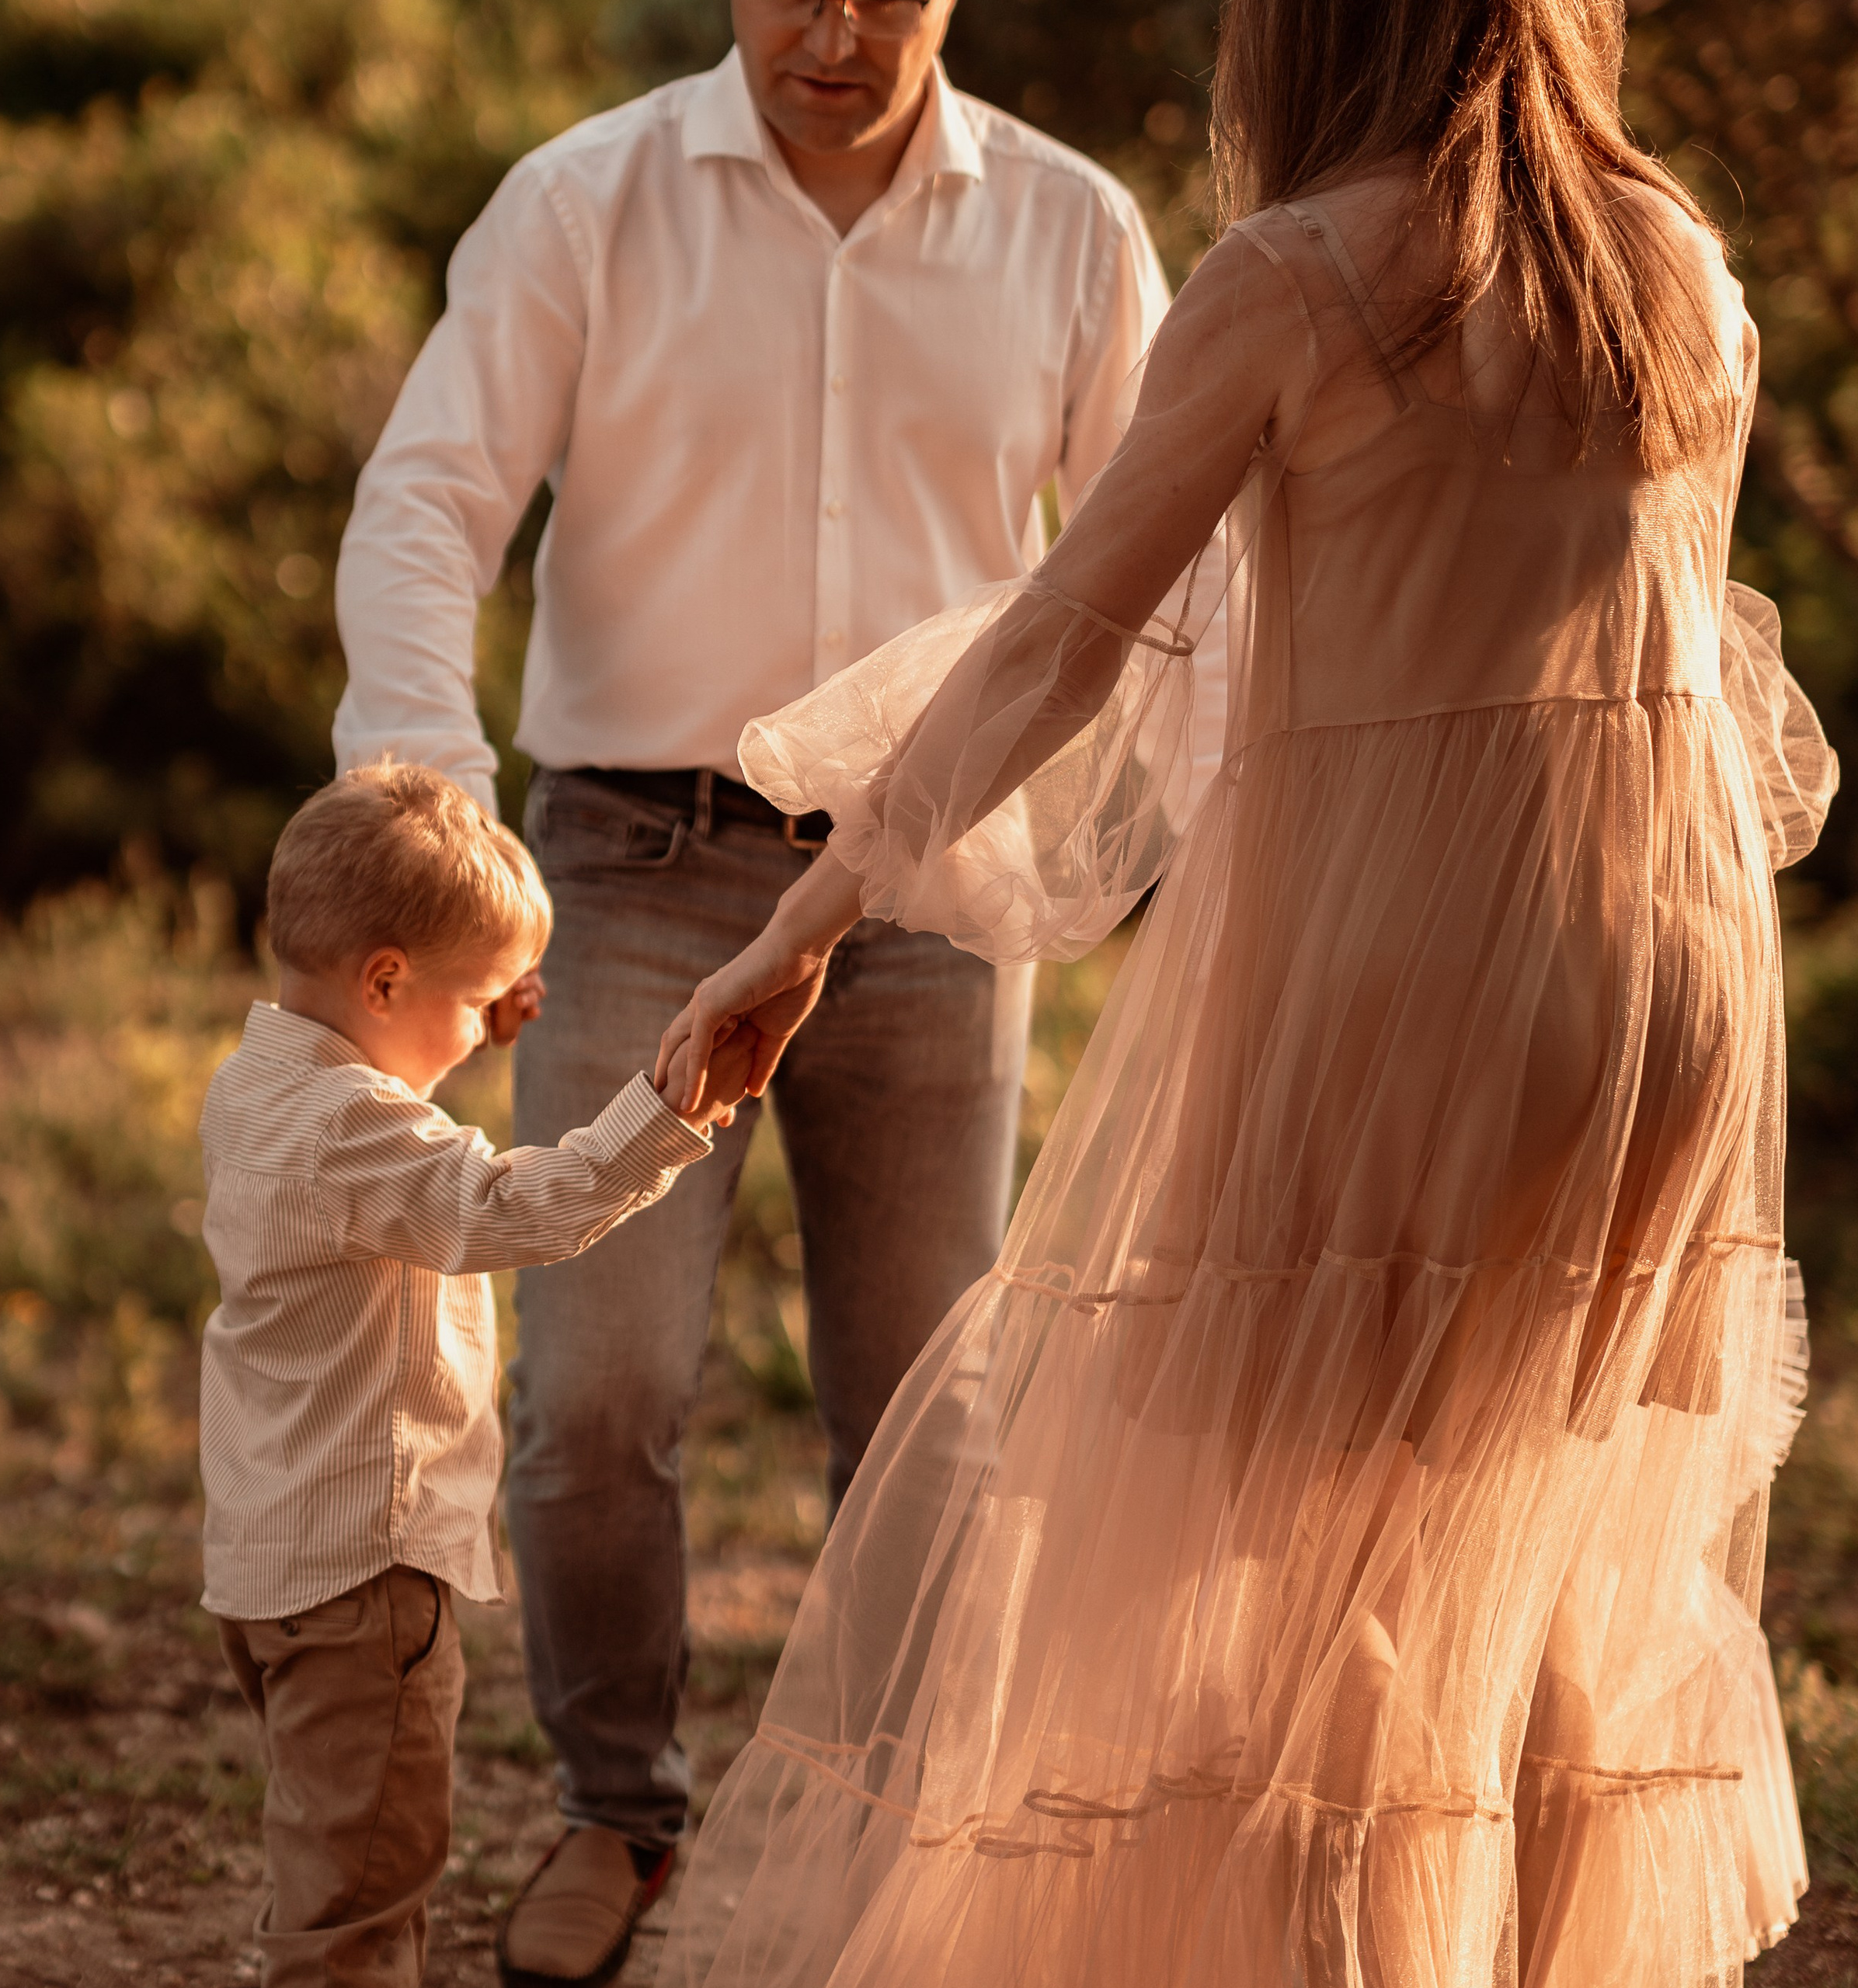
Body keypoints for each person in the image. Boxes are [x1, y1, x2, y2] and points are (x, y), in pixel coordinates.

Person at [652, 0, 1837, 1979]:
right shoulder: (1671, 265)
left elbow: (1059, 645)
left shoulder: (1296, 273)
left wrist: (807, 919)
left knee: (1281, 1614)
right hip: (1661, 983)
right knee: (1527, 1565)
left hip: (1399, 980)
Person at [331, 1, 1203, 1979]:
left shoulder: (1071, 232)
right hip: (624, 868)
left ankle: (891, 1836)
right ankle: (612, 1816)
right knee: (595, 1388)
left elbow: (1193, 574)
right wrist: (441, 812)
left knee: (923, 1391)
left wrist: (1189, 837)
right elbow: (426, 505)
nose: (832, 26)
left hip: (928, 873)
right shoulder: (584, 199)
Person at [197, 763, 754, 1987]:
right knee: (359, 1900)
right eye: (481, 999)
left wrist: (457, 1022)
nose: (496, 1017)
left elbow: (386, 1110)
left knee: (324, 1855)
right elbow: (500, 1208)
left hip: (273, 1571)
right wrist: (662, 1115)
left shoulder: (258, 1089)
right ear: (387, 980)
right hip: (367, 1582)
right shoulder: (357, 1133)